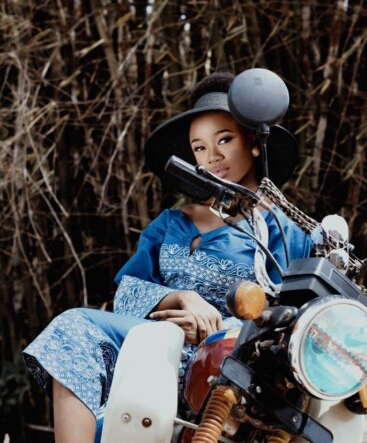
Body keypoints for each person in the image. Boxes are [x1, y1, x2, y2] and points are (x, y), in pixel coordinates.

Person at [22, 71, 312, 442]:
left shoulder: (286, 233)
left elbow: (293, 327)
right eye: (199, 148)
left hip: (231, 369)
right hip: (155, 348)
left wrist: (213, 330)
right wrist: (180, 298)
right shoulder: (171, 222)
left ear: (254, 142)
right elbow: (126, 296)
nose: (212, 156)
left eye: (224, 139)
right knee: (73, 327)